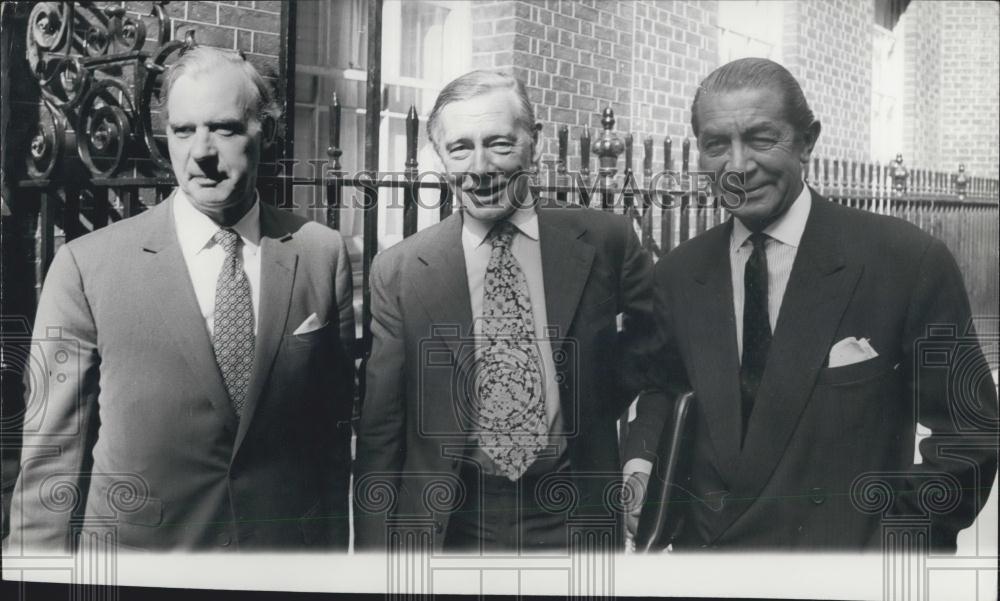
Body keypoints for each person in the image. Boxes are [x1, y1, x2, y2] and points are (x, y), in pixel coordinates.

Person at [624, 57, 998, 551]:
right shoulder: (678, 273)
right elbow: (662, 389)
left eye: (761, 138)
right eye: (717, 144)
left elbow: (969, 435)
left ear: (808, 142)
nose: (738, 166)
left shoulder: (904, 260)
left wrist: (892, 548)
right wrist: (641, 460)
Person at [7, 46, 355, 552]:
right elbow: (50, 459)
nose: (202, 152)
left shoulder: (320, 254)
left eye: (226, 128)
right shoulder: (86, 267)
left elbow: (330, 441)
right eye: (183, 130)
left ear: (269, 134)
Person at [353, 70, 657, 552]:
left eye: (498, 144)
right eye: (460, 149)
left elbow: (659, 352)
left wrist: (604, 409)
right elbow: (380, 434)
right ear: (441, 158)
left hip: (573, 512)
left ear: (532, 143)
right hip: (450, 522)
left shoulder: (605, 242)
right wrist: (371, 565)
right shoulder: (401, 271)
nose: (480, 168)